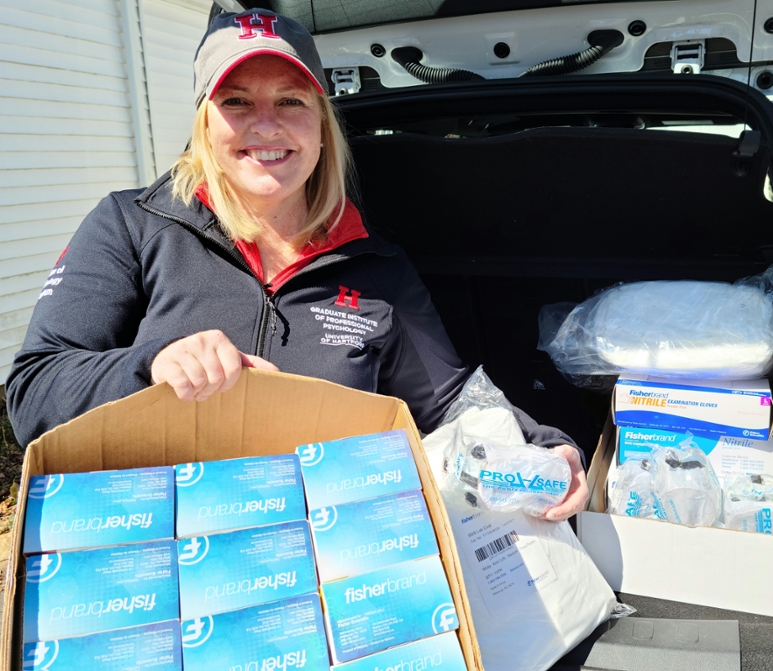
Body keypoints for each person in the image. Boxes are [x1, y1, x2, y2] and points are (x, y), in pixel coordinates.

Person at [5, 9, 587, 521]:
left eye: (290, 100)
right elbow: (33, 391)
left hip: (325, 559)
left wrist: (540, 445)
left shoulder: (376, 264)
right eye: (236, 101)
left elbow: (448, 399)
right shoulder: (130, 225)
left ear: (321, 123)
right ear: (204, 122)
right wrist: (152, 367)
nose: (266, 124)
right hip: (164, 552)